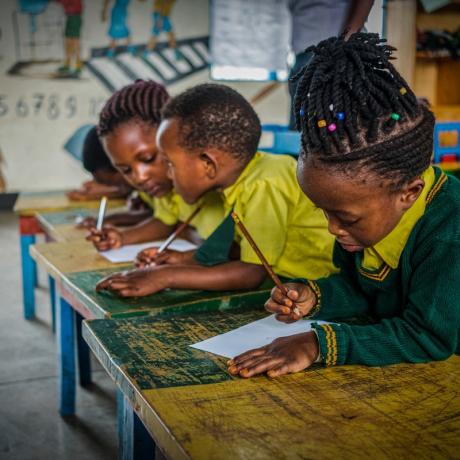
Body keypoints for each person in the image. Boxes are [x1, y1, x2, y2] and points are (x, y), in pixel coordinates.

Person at [227, 33, 460, 379]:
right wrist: (313, 296)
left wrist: (318, 344)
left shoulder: (448, 233)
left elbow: (427, 337)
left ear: (409, 193)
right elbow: (362, 291)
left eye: (345, 218)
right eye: (324, 211)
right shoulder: (367, 218)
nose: (333, 228)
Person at [96, 83, 336, 297]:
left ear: (209, 164)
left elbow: (250, 273)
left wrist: (166, 276)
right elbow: (240, 248)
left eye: (170, 163)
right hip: (288, 287)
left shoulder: (262, 183)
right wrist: (186, 259)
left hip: (323, 290)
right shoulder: (233, 184)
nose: (168, 174)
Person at [86, 80, 225, 251]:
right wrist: (121, 237)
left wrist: (188, 239)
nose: (139, 177)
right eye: (126, 170)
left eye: (148, 158)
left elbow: (233, 251)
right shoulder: (166, 186)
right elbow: (165, 221)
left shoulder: (217, 181)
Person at [287, 0, 374, 129]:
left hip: (332, 52)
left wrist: (345, 41)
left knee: (332, 128)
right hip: (302, 57)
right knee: (302, 129)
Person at [56, 0, 83, 76]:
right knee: (68, 43)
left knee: (75, 43)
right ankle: (67, 65)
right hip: (71, 17)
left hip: (75, 17)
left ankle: (78, 66)